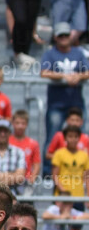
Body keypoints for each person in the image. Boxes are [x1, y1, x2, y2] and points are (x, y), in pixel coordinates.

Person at [40, 24, 89, 152]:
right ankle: (47, 171)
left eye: (66, 35)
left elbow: (88, 71)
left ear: (70, 36)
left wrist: (79, 76)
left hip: (76, 104)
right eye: (60, 35)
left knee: (82, 140)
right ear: (55, 37)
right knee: (52, 139)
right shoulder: (50, 54)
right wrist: (64, 76)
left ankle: (84, 171)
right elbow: (44, 72)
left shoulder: (78, 53)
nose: (63, 38)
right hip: (56, 104)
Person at [51, 124, 89, 198]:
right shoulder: (59, 154)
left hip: (79, 196)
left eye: (76, 136)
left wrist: (88, 195)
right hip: (62, 196)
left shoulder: (84, 155)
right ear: (65, 138)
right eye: (70, 136)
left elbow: (87, 178)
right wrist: (63, 191)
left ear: (79, 138)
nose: (73, 139)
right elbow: (55, 176)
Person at [9, 110, 41, 189]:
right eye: (17, 123)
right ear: (13, 123)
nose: (20, 126)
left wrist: (32, 178)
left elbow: (36, 163)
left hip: (26, 181)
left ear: (27, 124)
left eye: (23, 123)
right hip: (9, 180)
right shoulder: (7, 141)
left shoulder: (33, 143)